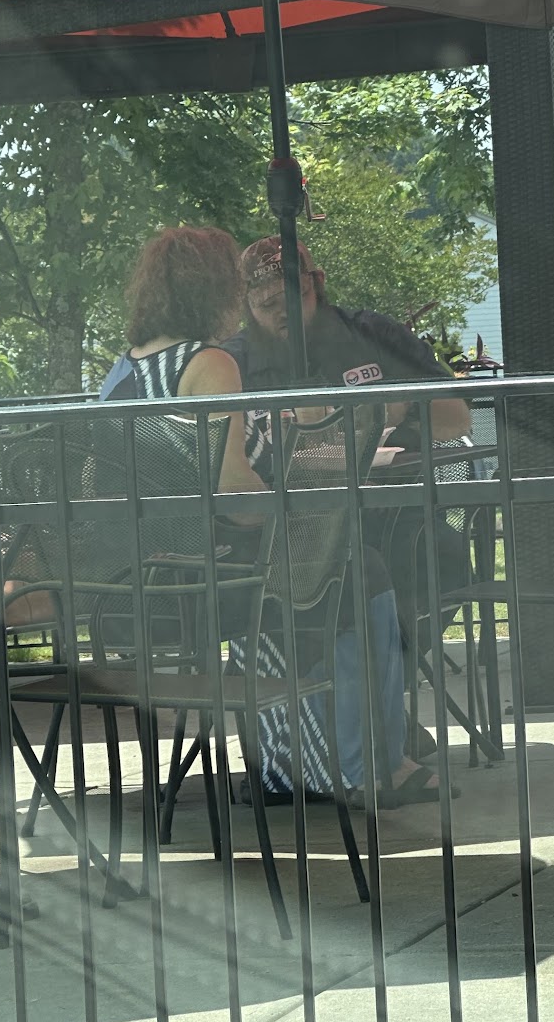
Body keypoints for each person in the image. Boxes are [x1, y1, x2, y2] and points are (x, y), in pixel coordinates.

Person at [103, 226, 437, 805]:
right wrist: (295, 503)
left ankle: (291, 768)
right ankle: (365, 767)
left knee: (339, 573)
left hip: (139, 585)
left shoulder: (121, 375)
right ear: (213, 292)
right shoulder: (209, 364)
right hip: (209, 583)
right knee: (358, 571)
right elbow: (238, 501)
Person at [225, 237, 473, 450]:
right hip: (281, 491)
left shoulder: (375, 334)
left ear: (318, 282)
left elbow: (459, 418)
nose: (285, 312)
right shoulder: (231, 364)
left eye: (296, 296)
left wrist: (403, 406)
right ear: (247, 308)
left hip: (389, 486)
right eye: (268, 304)